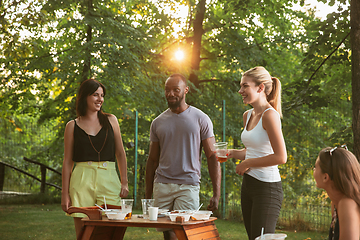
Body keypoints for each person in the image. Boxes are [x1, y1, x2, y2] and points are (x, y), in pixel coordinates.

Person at [145, 73, 221, 240]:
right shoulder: (157, 122)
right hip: (162, 184)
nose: (170, 94)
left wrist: (216, 193)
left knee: (185, 232)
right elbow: (152, 160)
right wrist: (148, 195)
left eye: (176, 90)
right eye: (167, 90)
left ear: (186, 90)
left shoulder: (201, 119)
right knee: (167, 231)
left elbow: (212, 156)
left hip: (188, 185)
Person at [223, 66, 287, 240]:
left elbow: (281, 157)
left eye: (245, 86)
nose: (240, 90)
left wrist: (248, 163)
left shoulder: (270, 115)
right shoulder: (247, 115)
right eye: (241, 86)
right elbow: (252, 151)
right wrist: (230, 152)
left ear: (260, 88)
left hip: (267, 188)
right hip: (249, 185)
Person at [61, 79, 129, 239]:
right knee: (84, 233)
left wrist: (124, 181)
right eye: (95, 95)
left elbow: (120, 152)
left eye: (102, 95)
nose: (100, 99)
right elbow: (67, 161)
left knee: (113, 230)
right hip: (81, 180)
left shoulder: (111, 120)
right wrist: (65, 194)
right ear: (84, 97)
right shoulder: (72, 126)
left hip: (109, 177)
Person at [313, 145, 360, 240]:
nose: (313, 170)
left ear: (325, 177)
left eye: (315, 167)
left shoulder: (347, 203)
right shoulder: (336, 203)